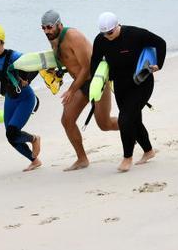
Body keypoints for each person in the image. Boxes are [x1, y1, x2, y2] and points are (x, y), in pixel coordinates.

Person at [40, 10, 119, 171]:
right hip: (81, 84)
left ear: (59, 24)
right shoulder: (54, 39)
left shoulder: (73, 36)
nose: (47, 31)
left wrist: (71, 90)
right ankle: (82, 159)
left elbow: (86, 67)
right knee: (67, 120)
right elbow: (69, 61)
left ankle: (134, 127)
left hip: (96, 80)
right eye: (43, 28)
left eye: (49, 27)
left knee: (104, 124)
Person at [89, 12, 166, 172]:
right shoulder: (100, 40)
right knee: (134, 120)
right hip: (120, 85)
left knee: (125, 119)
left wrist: (159, 64)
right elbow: (95, 62)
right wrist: (97, 83)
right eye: (104, 33)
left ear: (118, 25)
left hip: (141, 82)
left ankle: (127, 157)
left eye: (110, 32)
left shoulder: (135, 34)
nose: (107, 36)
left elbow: (160, 43)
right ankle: (148, 151)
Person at [0, 24, 42, 172]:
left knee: (12, 131)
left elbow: (36, 65)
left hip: (25, 98)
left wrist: (27, 79)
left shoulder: (14, 56)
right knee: (10, 137)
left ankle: (34, 139)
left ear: (2, 43)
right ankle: (34, 160)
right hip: (10, 98)